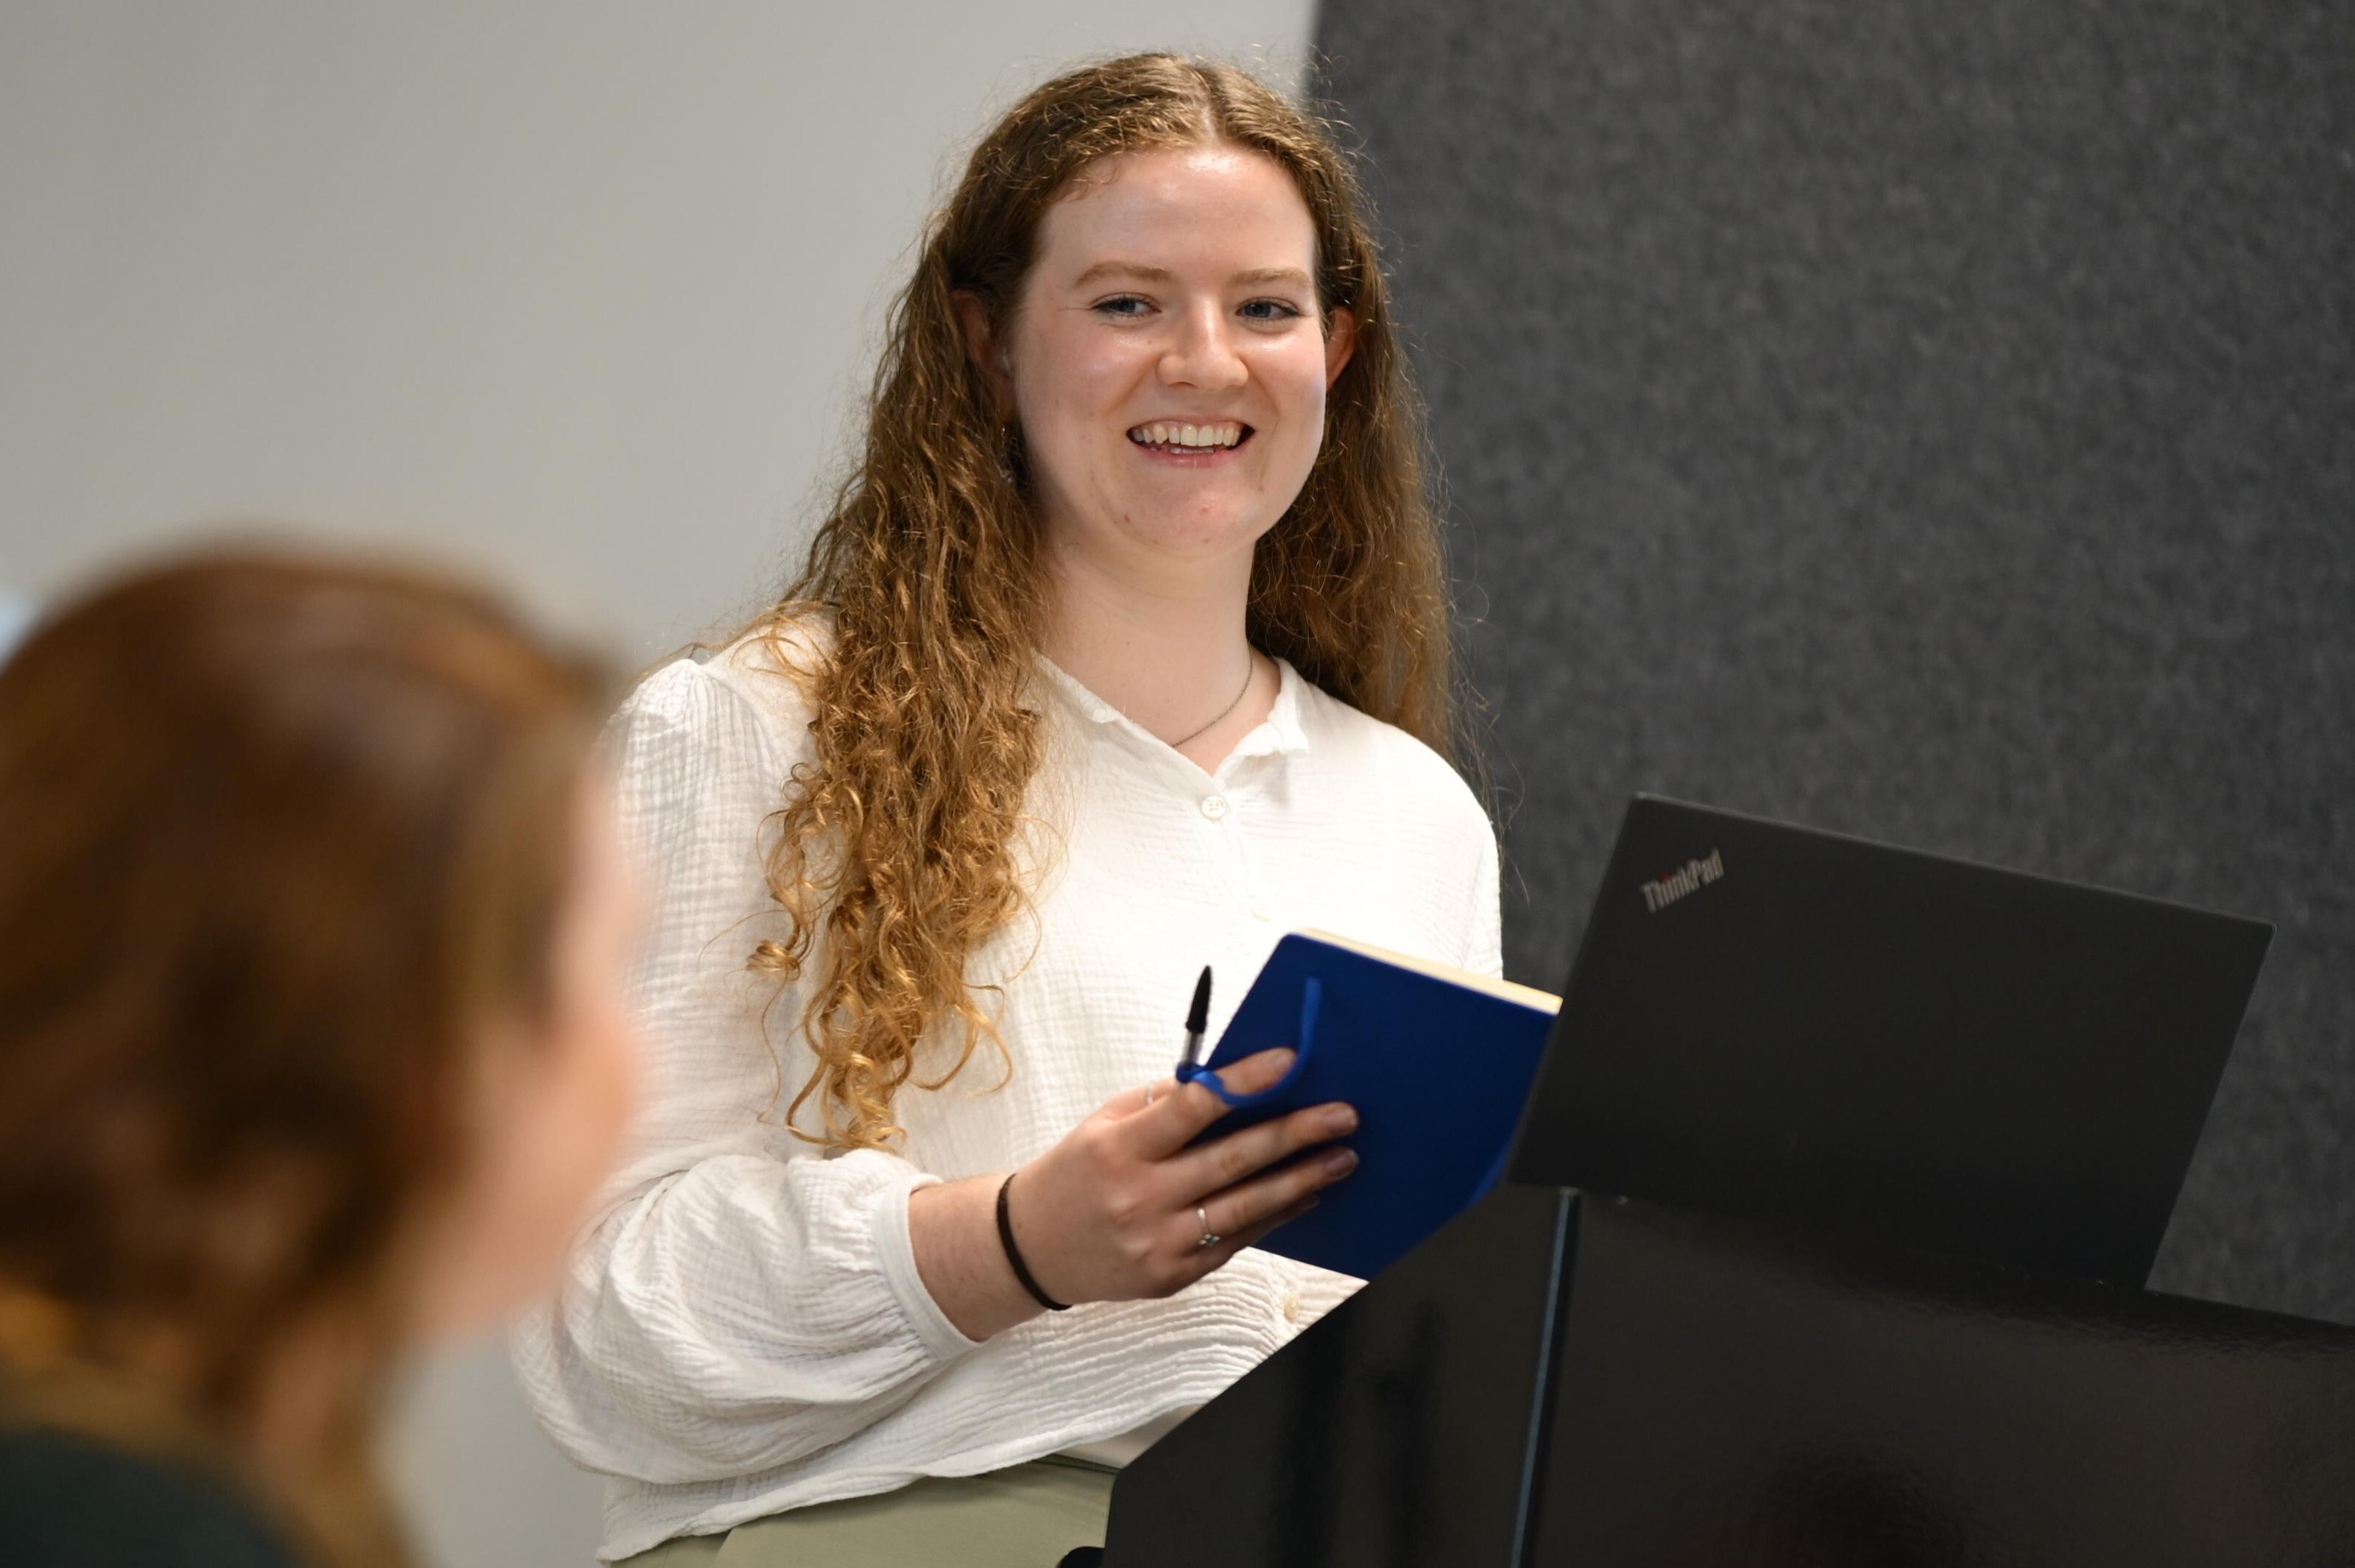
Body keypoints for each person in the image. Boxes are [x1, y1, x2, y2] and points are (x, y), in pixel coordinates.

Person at [517, 52, 1500, 1566]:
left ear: (1340, 349)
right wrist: (1014, 1242)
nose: (1203, 361)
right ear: (986, 344)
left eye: (1263, 306)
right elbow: (597, 1323)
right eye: (1125, 302)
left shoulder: (1414, 814)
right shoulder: (752, 728)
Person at [0, 551, 640, 1567]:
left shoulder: (181, 1467)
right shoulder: (134, 1531)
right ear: (400, 1053)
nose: (632, 1060)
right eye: (602, 972)